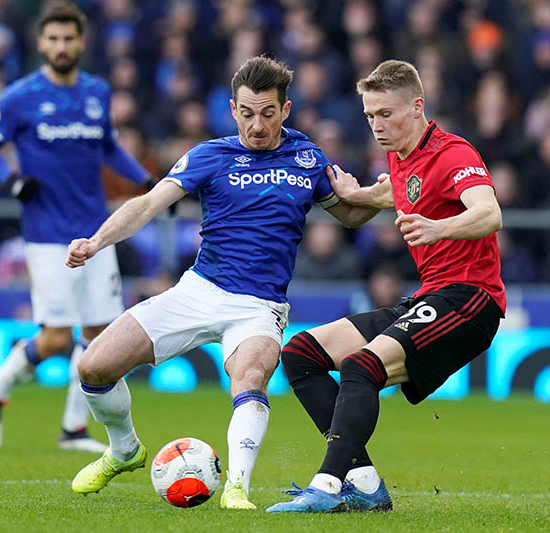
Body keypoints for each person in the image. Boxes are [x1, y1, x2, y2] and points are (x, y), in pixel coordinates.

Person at [64, 56, 379, 510]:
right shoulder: (209, 155)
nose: (257, 125)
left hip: (259, 306)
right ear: (233, 110)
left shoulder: (308, 157)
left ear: (284, 111)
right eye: (247, 113)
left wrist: (375, 195)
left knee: (249, 377)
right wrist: (96, 242)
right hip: (198, 291)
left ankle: (236, 487)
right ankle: (124, 450)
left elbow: (349, 214)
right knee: (93, 368)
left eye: (268, 114)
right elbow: (149, 203)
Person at [267, 60, 506, 513]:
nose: (377, 125)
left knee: (361, 366)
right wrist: (357, 195)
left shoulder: (454, 154)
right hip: (430, 297)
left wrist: (439, 229)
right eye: (370, 116)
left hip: (471, 300)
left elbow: (489, 212)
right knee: (301, 354)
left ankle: (328, 485)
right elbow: (393, 192)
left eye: (386, 114)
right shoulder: (400, 158)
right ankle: (365, 484)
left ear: (417, 107)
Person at [0, 2, 152, 453]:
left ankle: (73, 429)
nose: (61, 46)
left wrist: (150, 184)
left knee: (98, 339)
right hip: (47, 233)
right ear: (40, 43)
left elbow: (109, 147)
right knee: (55, 337)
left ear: (81, 42)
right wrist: (12, 181)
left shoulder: (97, 92)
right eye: (53, 38)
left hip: (97, 231)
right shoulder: (20, 96)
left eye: (68, 38)